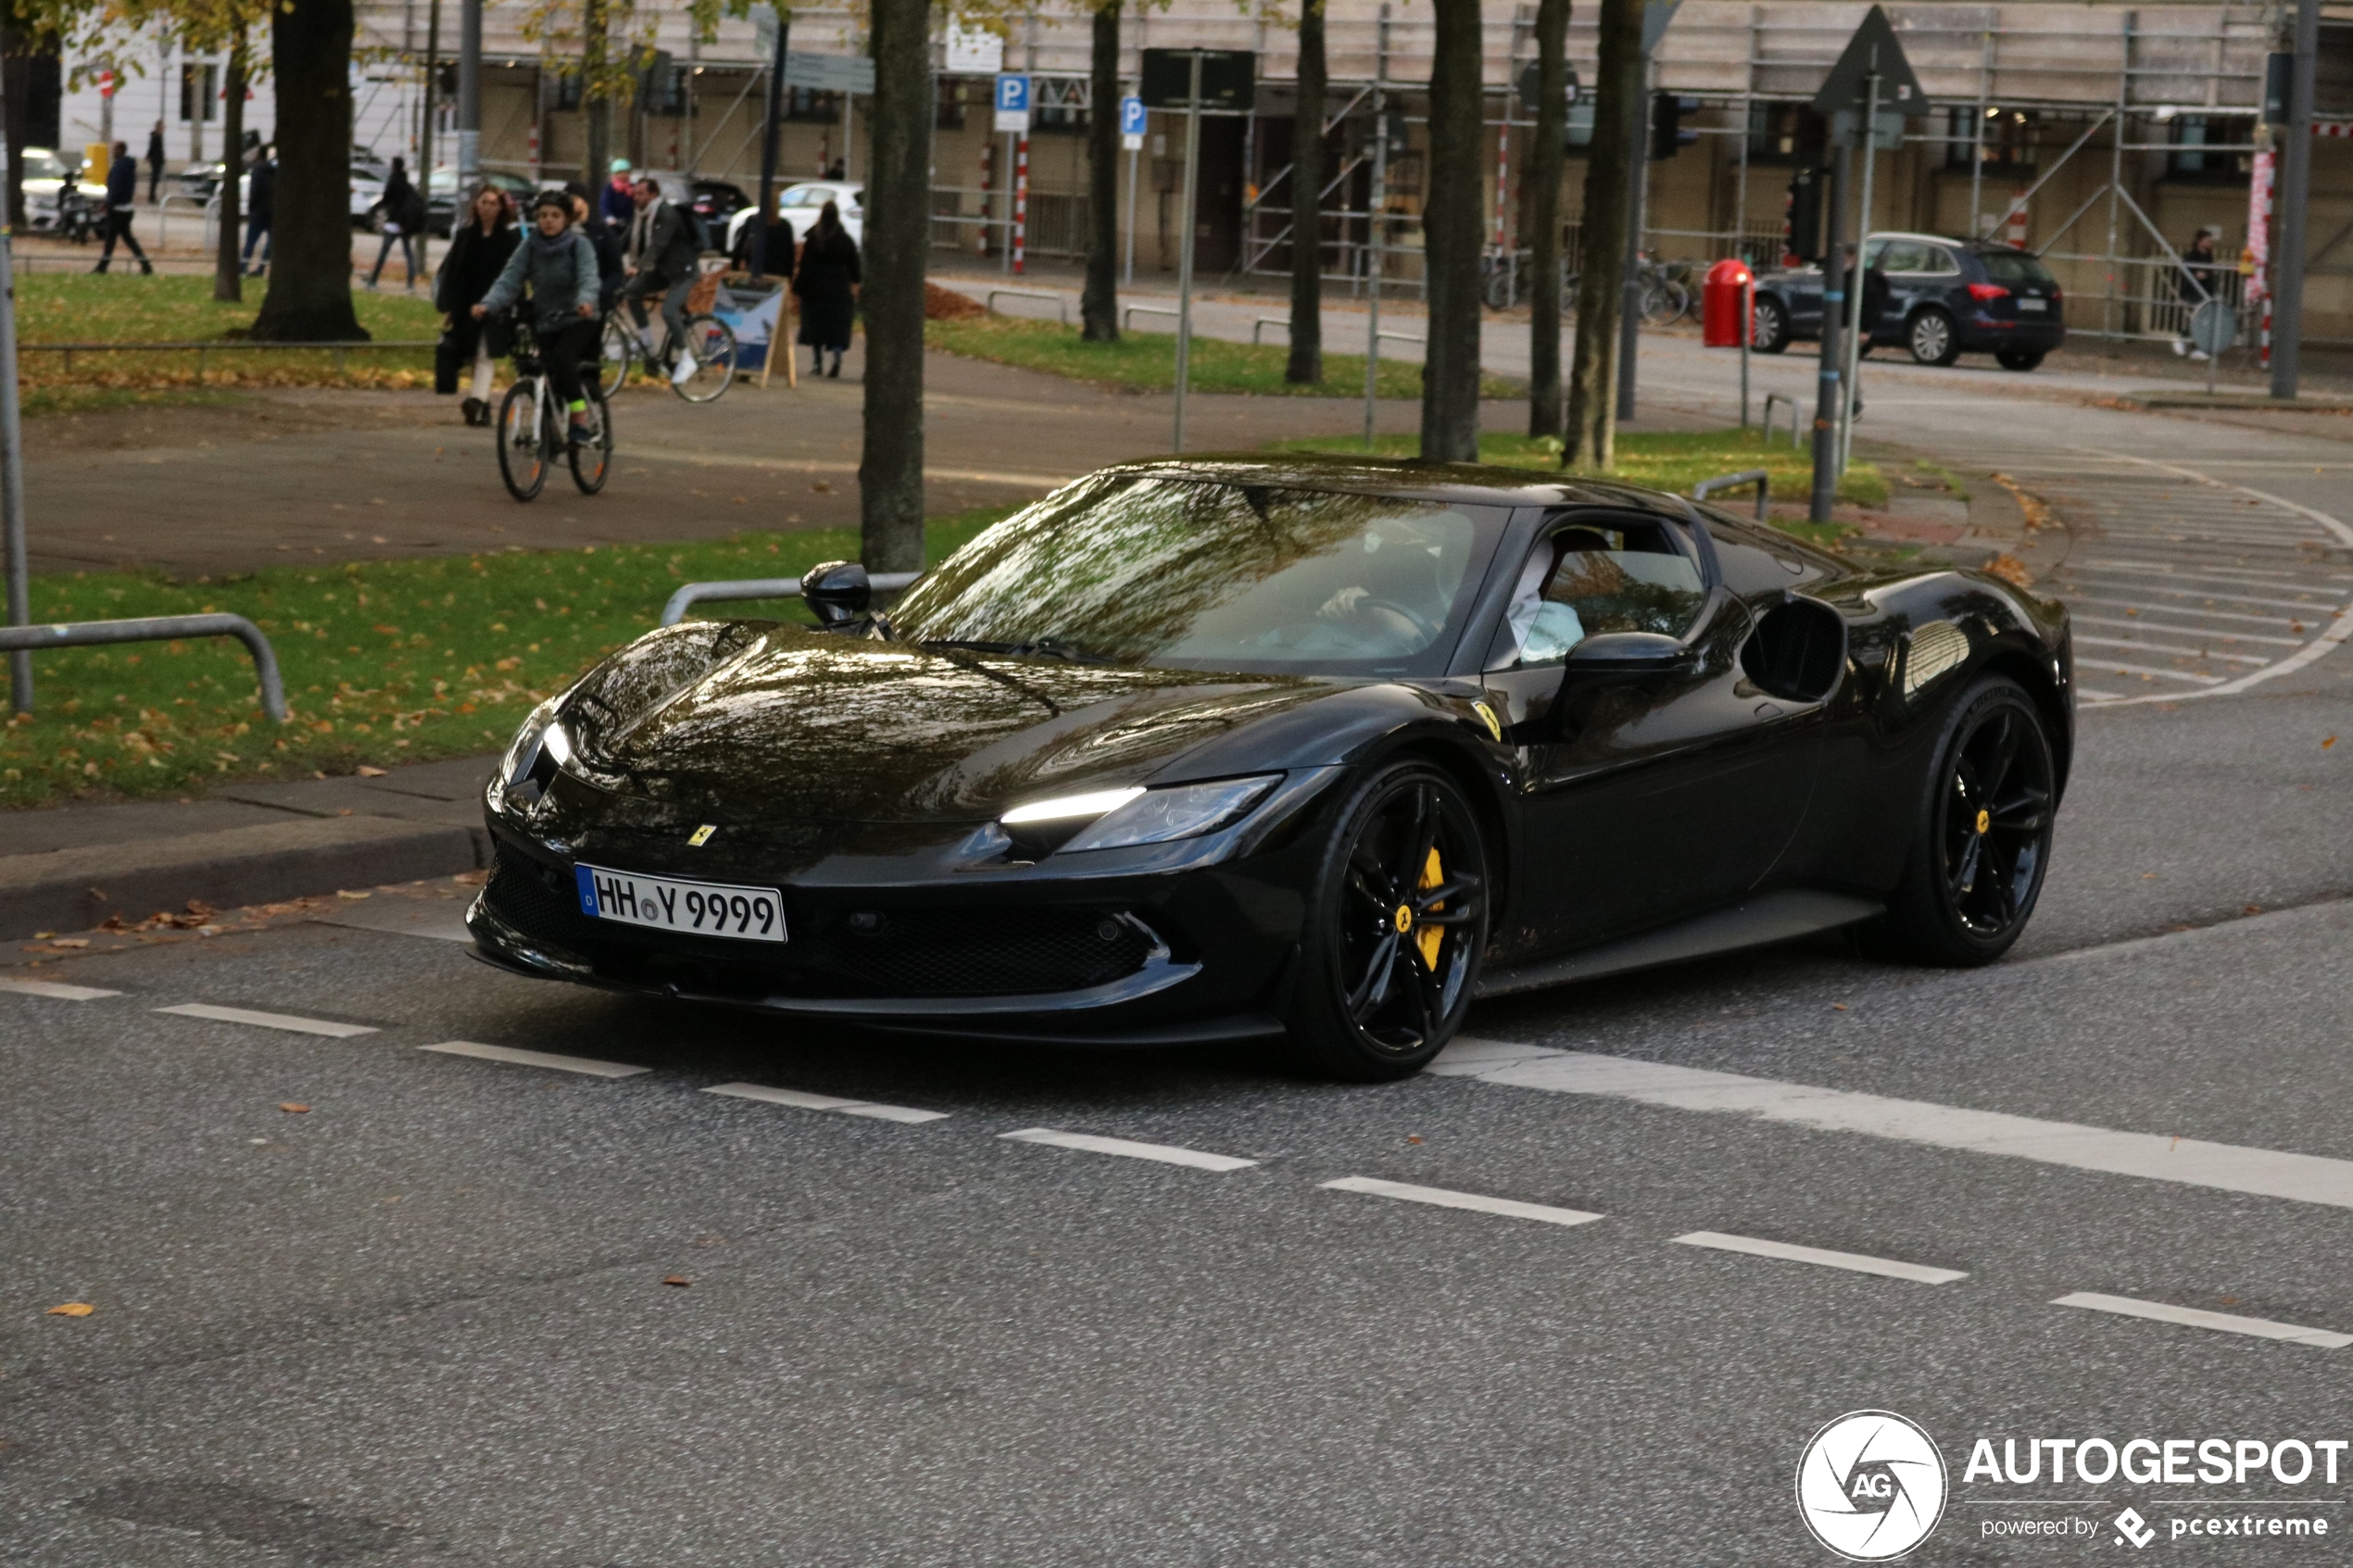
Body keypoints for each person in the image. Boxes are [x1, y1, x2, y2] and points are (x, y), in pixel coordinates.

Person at [475, 193, 603, 447]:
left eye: (555, 216)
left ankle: (578, 417)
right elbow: (509, 280)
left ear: (566, 219)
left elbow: (589, 277)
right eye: (543, 215)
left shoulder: (579, 246)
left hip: (578, 318)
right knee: (538, 371)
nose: (548, 221)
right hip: (546, 320)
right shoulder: (530, 246)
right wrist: (487, 304)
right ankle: (549, 429)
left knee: (563, 360)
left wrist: (585, 300)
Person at [437, 183, 521, 426]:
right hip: (466, 304)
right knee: (472, 354)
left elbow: (512, 275)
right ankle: (481, 407)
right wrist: (450, 307)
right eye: (484, 202)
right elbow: (453, 271)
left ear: (501, 207)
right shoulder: (465, 236)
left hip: (495, 306)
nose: (487, 208)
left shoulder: (508, 239)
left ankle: (476, 402)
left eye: (493, 203)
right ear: (476, 205)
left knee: (485, 354)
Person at [623, 174, 702, 380]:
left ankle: (687, 359)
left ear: (653, 194)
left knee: (668, 311)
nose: (636, 197)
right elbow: (623, 240)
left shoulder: (667, 214)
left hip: (683, 272)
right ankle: (647, 341)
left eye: (641, 194)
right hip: (662, 271)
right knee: (630, 291)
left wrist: (638, 267)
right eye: (635, 193)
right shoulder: (641, 216)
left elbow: (658, 244)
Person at [792, 199, 859, 378]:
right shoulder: (845, 241)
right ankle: (836, 358)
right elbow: (855, 270)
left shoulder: (813, 239)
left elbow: (804, 265)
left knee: (815, 326)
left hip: (815, 289)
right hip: (839, 289)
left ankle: (817, 362)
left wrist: (798, 288)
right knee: (837, 327)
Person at [562, 181, 626, 312]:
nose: (570, 204)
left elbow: (615, 272)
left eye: (574, 199)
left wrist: (597, 293)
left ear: (585, 202)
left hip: (594, 302)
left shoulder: (602, 233)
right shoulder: (560, 231)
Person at [366, 157, 426, 291]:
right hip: (405, 224)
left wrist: (376, 209)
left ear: (393, 166)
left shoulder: (393, 181)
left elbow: (386, 199)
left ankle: (373, 281)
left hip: (393, 223)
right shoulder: (406, 182)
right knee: (408, 253)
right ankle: (410, 285)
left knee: (384, 252)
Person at [92, 141, 151, 274]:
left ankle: (102, 267)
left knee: (111, 240)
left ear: (121, 150)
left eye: (115, 150)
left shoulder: (119, 167)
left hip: (117, 209)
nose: (112, 152)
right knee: (127, 238)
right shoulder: (129, 166)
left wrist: (108, 204)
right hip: (127, 208)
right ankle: (145, 265)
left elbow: (115, 188)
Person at [2173, 226, 2221, 360]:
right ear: (2200, 241)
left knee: (2203, 320)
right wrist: (2196, 274)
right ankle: (2185, 339)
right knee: (2200, 319)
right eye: (2207, 240)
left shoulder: (2208, 255)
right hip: (2193, 292)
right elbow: (2185, 272)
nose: (2209, 243)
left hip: (2206, 291)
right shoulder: (2191, 255)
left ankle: (2193, 344)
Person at [729, 193, 795, 282]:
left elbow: (739, 249)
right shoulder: (784, 226)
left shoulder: (753, 222)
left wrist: (735, 270)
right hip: (777, 276)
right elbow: (789, 257)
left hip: (754, 274)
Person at [241, 143, 274, 276]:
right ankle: (262, 266)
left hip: (258, 211)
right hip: (271, 211)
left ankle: (243, 265)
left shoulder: (257, 170)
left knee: (250, 241)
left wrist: (251, 207)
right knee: (270, 242)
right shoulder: (272, 170)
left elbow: (255, 191)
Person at [601, 157, 635, 231]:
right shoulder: (610, 189)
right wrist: (609, 217)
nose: (625, 175)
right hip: (615, 223)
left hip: (630, 222)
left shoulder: (632, 188)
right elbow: (605, 204)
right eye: (621, 173)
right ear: (615, 175)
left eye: (627, 173)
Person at [144, 121, 165, 204]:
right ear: (158, 127)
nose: (163, 129)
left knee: (155, 178)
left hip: (157, 159)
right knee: (154, 178)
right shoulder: (156, 136)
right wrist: (148, 156)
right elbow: (152, 148)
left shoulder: (158, 136)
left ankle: (152, 196)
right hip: (156, 160)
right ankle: (151, 197)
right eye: (162, 127)